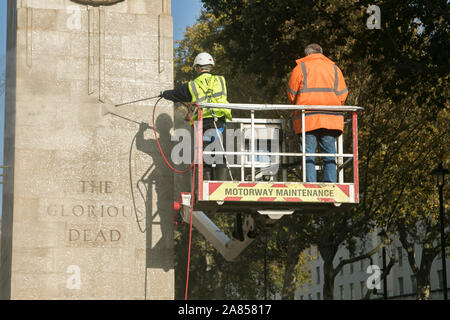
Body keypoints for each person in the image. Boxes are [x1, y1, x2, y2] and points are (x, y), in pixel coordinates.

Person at [160, 52, 232, 181]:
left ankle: (205, 184)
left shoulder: (192, 85)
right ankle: (221, 185)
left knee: (204, 156)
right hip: (219, 122)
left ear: (198, 67)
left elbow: (175, 94)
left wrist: (164, 93)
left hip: (202, 124)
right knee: (220, 154)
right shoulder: (221, 80)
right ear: (210, 66)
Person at [287, 43, 348, 183]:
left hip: (307, 119)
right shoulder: (334, 69)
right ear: (321, 53)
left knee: (308, 154)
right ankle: (330, 184)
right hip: (330, 119)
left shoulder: (300, 68)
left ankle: (310, 185)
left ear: (307, 54)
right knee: (329, 154)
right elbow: (343, 95)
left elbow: (291, 95)